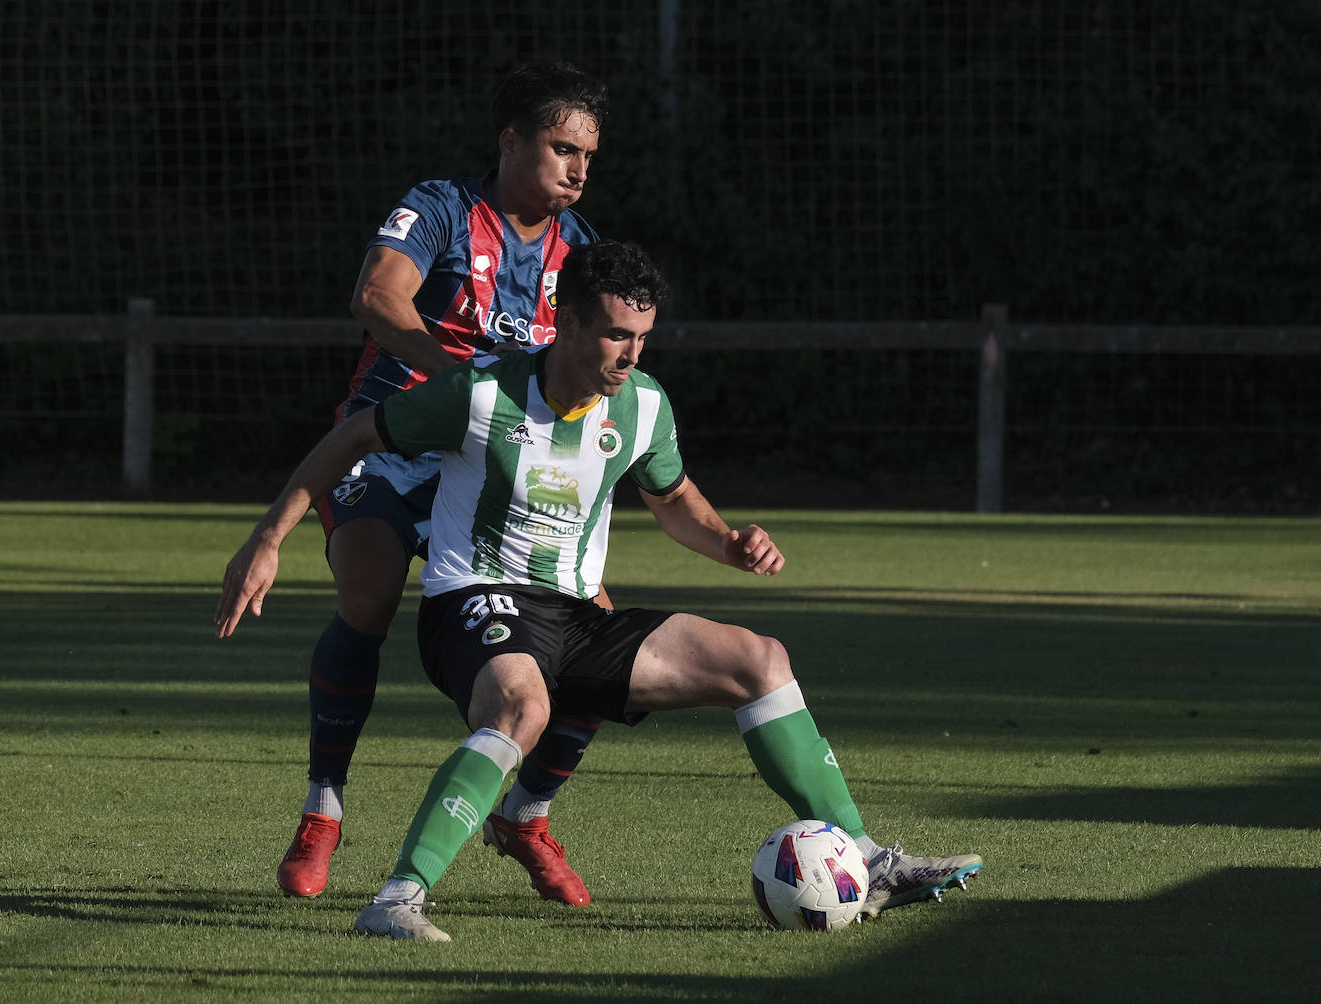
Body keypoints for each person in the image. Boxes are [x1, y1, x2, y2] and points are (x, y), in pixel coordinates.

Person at [216, 240, 983, 942]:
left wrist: (729, 543)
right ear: (568, 323)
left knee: (762, 660)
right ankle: (396, 901)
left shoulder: (643, 405)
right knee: (524, 708)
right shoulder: (479, 393)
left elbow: (674, 499)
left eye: (643, 336)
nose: (631, 353)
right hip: (476, 601)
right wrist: (268, 538)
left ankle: (871, 859)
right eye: (617, 334)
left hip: (578, 616)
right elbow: (352, 436)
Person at [255, 61, 611, 907]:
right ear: (511, 140)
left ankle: (525, 813)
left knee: (595, 630)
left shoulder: (582, 251)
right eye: (562, 148)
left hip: (498, 464)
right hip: (389, 443)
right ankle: (323, 812)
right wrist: (467, 374)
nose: (578, 168)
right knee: (370, 592)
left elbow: (599, 364)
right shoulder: (444, 207)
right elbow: (377, 295)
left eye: (589, 155)